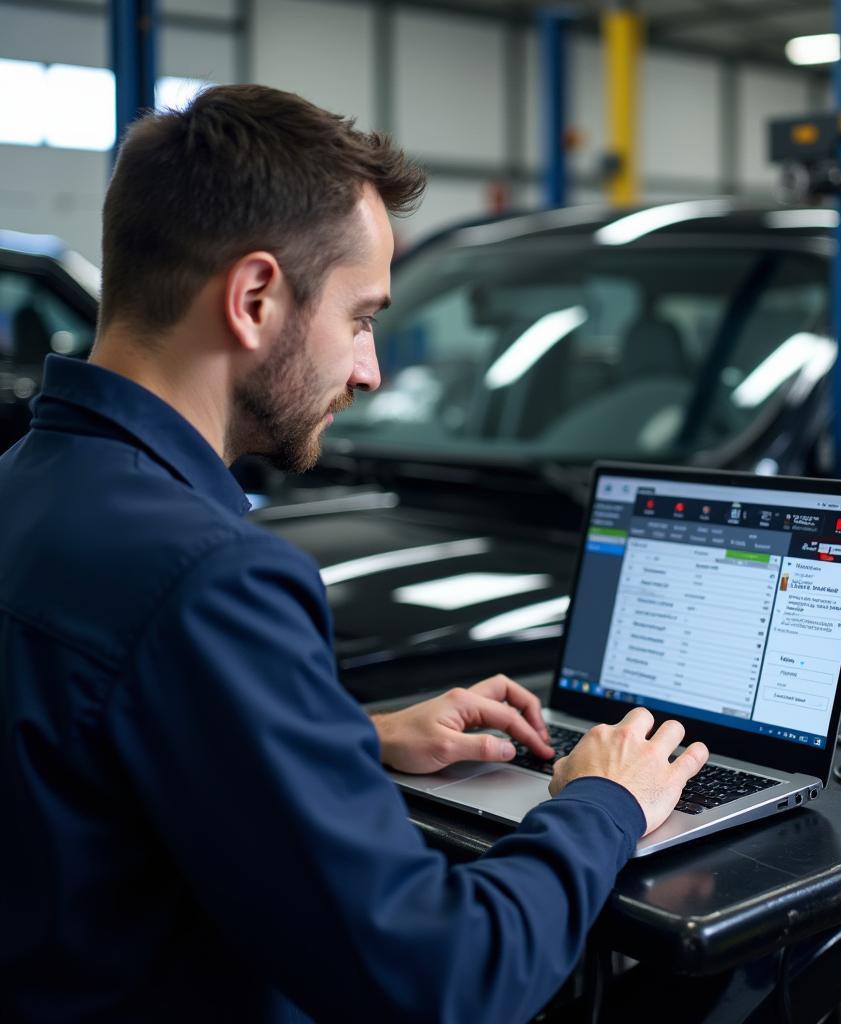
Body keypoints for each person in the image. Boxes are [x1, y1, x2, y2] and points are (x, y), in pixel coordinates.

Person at [0, 84, 709, 1023]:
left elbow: (91, 747)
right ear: (254, 297)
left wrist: (352, 737)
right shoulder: (208, 577)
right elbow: (446, 976)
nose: (371, 370)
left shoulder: (29, 484)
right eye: (363, 318)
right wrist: (601, 803)